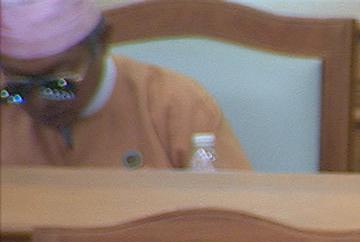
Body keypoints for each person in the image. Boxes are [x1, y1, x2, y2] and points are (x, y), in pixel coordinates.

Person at [0, 0, 251, 169]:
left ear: (103, 42)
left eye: (60, 84)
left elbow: (233, 221)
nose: (40, 101)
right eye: (19, 89)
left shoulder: (175, 104)